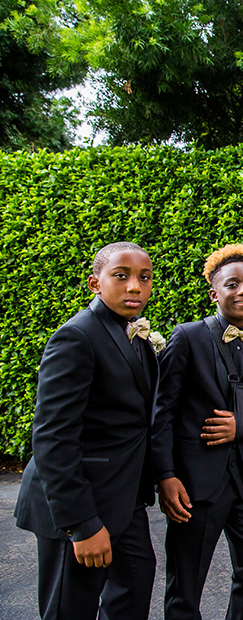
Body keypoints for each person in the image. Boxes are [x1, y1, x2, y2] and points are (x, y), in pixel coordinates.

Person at [15, 242, 158, 620]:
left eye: (144, 278)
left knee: (135, 588)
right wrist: (81, 525)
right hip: (80, 504)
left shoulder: (134, 335)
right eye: (121, 276)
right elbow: (52, 437)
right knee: (70, 609)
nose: (134, 287)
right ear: (95, 284)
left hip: (125, 500)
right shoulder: (76, 337)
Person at [151, 244, 243, 620]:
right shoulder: (187, 337)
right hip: (196, 483)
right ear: (214, 293)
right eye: (233, 284)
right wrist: (166, 476)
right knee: (186, 583)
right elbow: (161, 412)